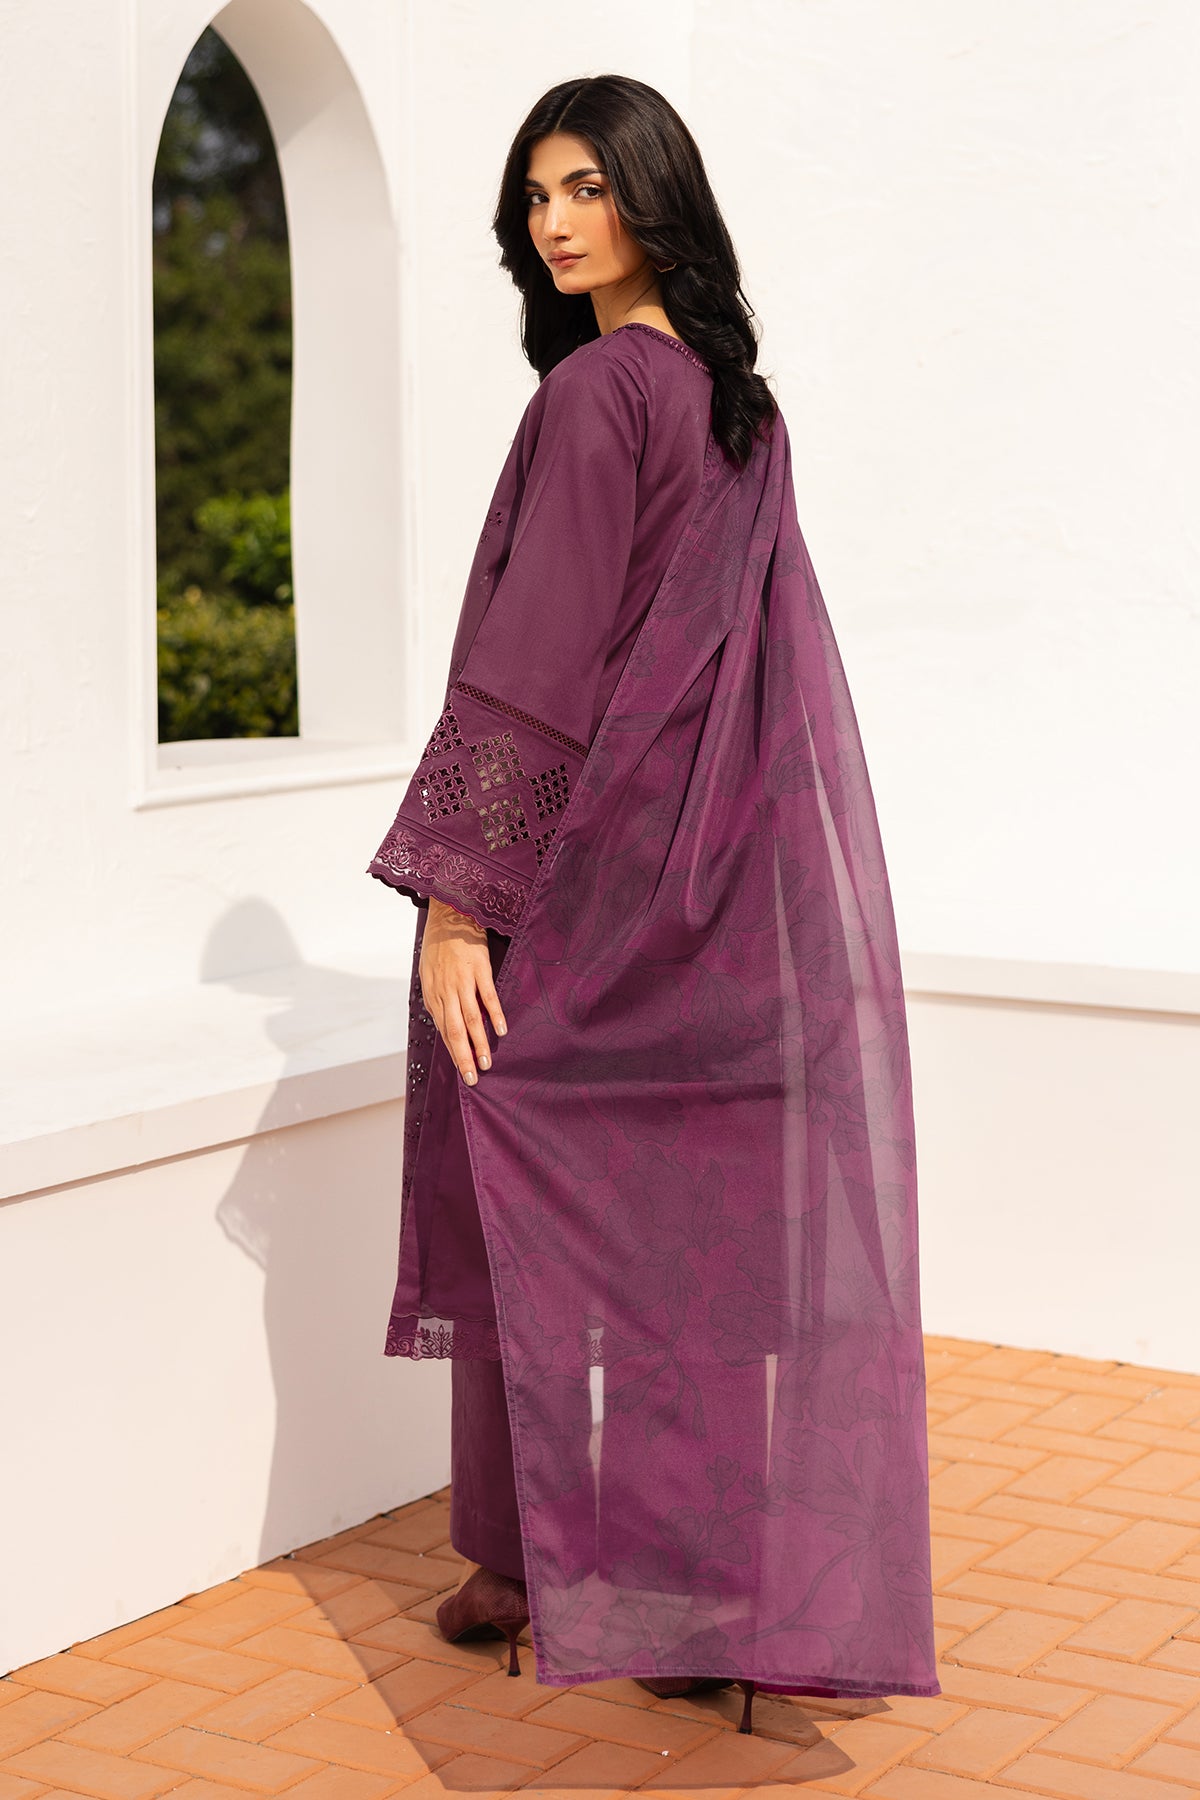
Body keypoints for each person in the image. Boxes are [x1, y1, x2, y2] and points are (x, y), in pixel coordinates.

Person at [365, 75, 940, 1735]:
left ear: (652, 198)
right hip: (728, 885)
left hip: (589, 879)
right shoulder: (739, 408)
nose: (555, 222)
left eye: (587, 188)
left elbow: (537, 653)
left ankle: (525, 1562)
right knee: (695, 1236)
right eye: (536, 195)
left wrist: (458, 904)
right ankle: (666, 1588)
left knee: (512, 1161)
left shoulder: (602, 391)